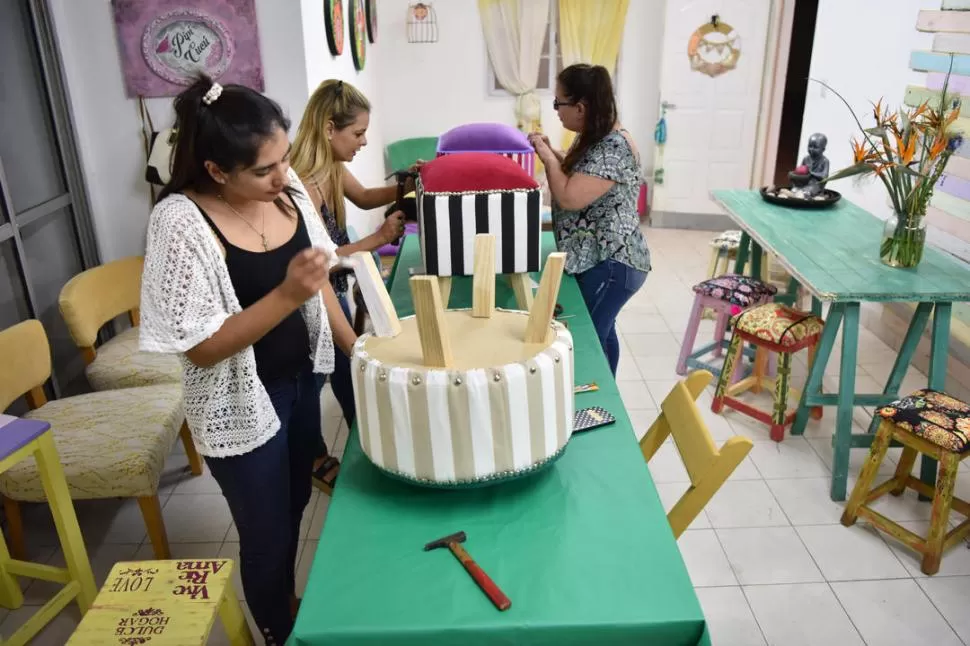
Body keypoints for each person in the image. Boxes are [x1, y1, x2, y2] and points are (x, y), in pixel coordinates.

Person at [139, 76, 357, 645]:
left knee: (294, 505)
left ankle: (285, 602)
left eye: (283, 159)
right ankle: (278, 630)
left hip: (303, 380)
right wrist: (285, 294)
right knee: (266, 537)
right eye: (264, 170)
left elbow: (320, 280)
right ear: (216, 171)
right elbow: (202, 346)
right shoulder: (180, 223)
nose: (282, 176)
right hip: (240, 403)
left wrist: (356, 350)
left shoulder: (291, 194)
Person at [290, 78, 417, 492]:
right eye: (357, 133)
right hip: (312, 297)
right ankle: (314, 457)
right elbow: (319, 262)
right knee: (312, 379)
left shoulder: (331, 168)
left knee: (347, 368)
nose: (363, 141)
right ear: (329, 128)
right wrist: (378, 239)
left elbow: (363, 197)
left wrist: (405, 187)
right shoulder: (302, 184)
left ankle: (364, 442)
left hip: (336, 286)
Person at [529, 64, 651, 376]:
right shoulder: (595, 136)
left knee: (585, 338)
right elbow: (580, 174)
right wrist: (554, 153)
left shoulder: (614, 146)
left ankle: (590, 397)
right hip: (602, 259)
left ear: (580, 107)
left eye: (559, 103)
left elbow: (570, 196)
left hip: (612, 263)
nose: (556, 111)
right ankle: (606, 391)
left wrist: (545, 157)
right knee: (603, 331)